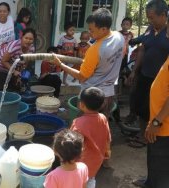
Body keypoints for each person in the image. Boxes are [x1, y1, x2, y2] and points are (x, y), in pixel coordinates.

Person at [52, 8, 125, 119]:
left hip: (91, 98)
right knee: (100, 126)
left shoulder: (95, 49)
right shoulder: (119, 37)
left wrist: (61, 65)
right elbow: (122, 53)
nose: (90, 34)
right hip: (108, 95)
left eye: (92, 30)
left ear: (104, 29)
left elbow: (82, 76)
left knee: (83, 128)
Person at [128, 0, 169, 150]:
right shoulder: (151, 29)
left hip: (161, 81)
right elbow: (143, 49)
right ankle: (143, 132)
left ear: (164, 15)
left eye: (152, 17)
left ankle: (152, 135)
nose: (150, 21)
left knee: (155, 108)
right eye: (148, 18)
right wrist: (134, 71)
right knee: (141, 106)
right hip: (145, 74)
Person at [70, 87, 111, 188]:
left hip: (81, 163)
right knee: (90, 178)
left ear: (81, 105)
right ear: (102, 105)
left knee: (78, 182)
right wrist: (107, 152)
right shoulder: (103, 118)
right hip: (97, 160)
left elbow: (72, 146)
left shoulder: (78, 123)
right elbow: (107, 138)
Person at [142, 56, 169, 187]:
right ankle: (150, 182)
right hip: (157, 120)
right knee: (153, 157)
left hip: (164, 125)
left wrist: (157, 122)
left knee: (161, 165)